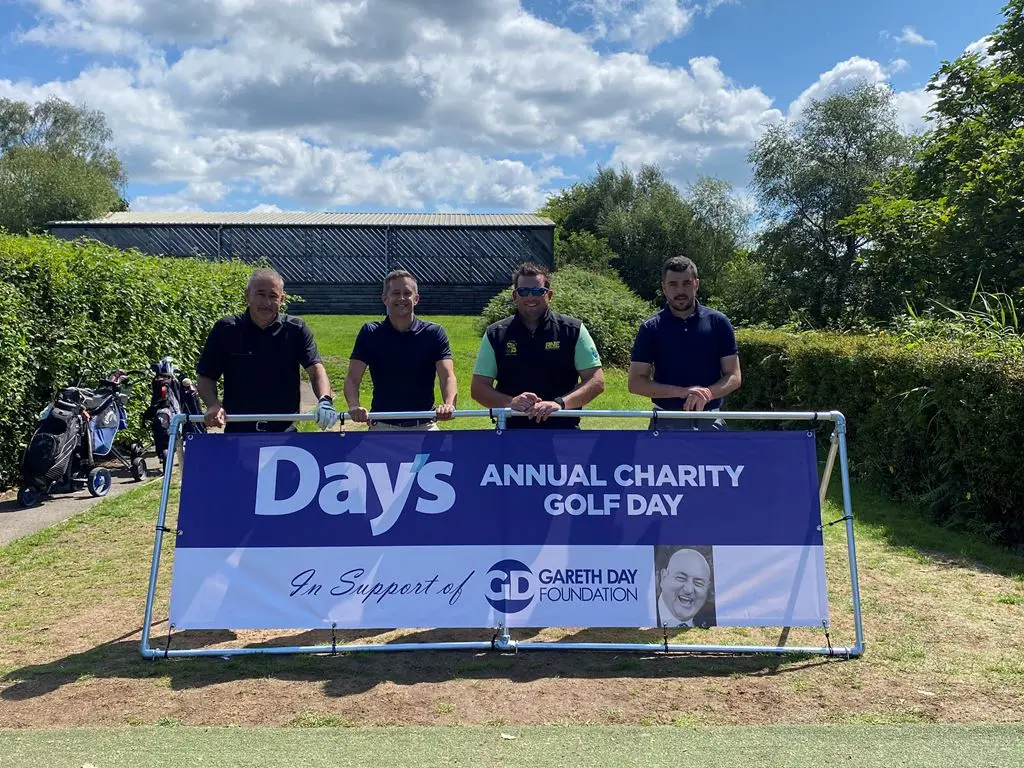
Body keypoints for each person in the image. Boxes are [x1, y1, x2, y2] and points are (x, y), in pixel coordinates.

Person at [196, 268, 338, 433]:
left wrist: (324, 400)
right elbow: (206, 376)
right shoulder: (226, 329)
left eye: (273, 296)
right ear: (247, 295)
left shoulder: (296, 330)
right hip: (237, 432)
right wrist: (213, 405)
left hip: (284, 432)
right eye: (260, 294)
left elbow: (315, 369)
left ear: (282, 299)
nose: (266, 302)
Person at [471, 262, 604, 428]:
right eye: (523, 291)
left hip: (563, 431)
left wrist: (560, 404)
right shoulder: (495, 334)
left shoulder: (573, 330)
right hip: (511, 433)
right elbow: (478, 388)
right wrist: (511, 402)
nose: (530, 297)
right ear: (514, 296)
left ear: (549, 295)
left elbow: (596, 381)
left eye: (538, 291)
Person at [628, 255, 742, 430]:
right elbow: (635, 383)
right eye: (673, 284)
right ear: (664, 288)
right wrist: (683, 392)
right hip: (665, 421)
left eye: (686, 283)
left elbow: (734, 376)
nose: (680, 290)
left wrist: (707, 394)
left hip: (711, 420)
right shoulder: (650, 328)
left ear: (696, 284)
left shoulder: (719, 322)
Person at [344, 270, 456, 431]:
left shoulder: (434, 333)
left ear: (416, 299)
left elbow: (448, 377)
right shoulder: (370, 333)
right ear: (385, 298)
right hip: (382, 427)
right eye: (396, 293)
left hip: (425, 426)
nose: (402, 298)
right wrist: (354, 406)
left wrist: (449, 404)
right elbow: (352, 379)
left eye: (407, 293)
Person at [655, 546, 716, 629]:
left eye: (698, 583)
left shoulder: (713, 619)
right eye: (681, 578)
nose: (688, 590)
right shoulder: (642, 613)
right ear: (663, 577)